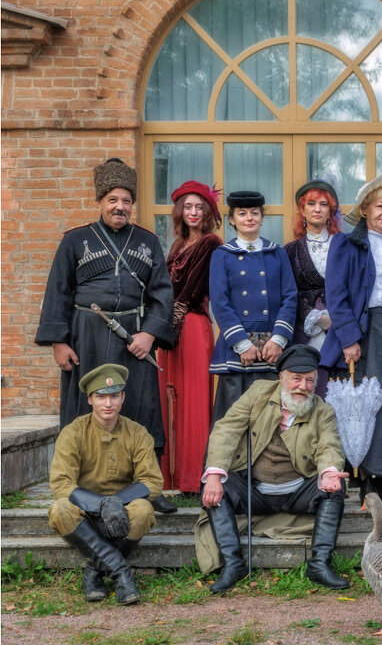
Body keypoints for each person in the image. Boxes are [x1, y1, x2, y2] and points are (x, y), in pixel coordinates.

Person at [36, 157, 175, 465]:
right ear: (100, 200)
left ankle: (146, 483)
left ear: (132, 204)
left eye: (126, 200)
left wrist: (150, 334)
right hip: (87, 337)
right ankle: (80, 477)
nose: (119, 206)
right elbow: (57, 291)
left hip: (134, 340)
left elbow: (162, 292)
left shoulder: (148, 241)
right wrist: (59, 343)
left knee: (140, 405)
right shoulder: (75, 240)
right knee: (85, 405)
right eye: (112, 199)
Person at [201, 344, 350, 592]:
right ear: (281, 378)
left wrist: (329, 472)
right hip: (255, 491)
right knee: (214, 483)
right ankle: (233, 564)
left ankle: (319, 564)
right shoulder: (258, 393)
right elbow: (227, 429)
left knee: (335, 487)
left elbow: (329, 446)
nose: (303, 386)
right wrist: (215, 474)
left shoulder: (322, 411)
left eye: (310, 380)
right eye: (296, 379)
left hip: (297, 492)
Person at [321, 171, 382, 501]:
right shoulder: (346, 244)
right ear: (365, 209)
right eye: (379, 205)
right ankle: (365, 476)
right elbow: (336, 293)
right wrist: (348, 338)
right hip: (366, 330)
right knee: (366, 402)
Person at [48, 364, 162, 605]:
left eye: (113, 396)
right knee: (59, 509)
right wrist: (100, 505)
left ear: (123, 397)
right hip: (85, 511)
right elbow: (61, 483)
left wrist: (115, 503)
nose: (107, 404)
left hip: (123, 510)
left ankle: (94, 572)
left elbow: (152, 481)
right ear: (90, 399)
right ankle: (121, 573)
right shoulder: (73, 433)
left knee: (143, 511)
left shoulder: (138, 433)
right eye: (100, 397)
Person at [208, 190, 298, 425]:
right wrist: (243, 344)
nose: (249, 218)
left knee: (271, 421)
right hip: (237, 351)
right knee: (233, 422)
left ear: (261, 217)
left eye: (255, 213)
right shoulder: (222, 255)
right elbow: (220, 302)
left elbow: (290, 297)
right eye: (242, 213)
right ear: (232, 219)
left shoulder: (276, 252)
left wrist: (278, 341)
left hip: (271, 351)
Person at [158, 180, 222, 498]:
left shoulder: (211, 243)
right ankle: (170, 476)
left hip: (193, 326)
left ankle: (193, 477)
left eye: (199, 206)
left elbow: (190, 291)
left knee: (195, 399)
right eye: (188, 206)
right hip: (169, 329)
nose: (193, 212)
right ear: (180, 211)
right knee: (171, 397)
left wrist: (166, 321)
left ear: (207, 211)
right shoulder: (176, 246)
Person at [284, 180, 341, 356]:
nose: (317, 209)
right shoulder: (290, 250)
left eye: (323, 204)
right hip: (303, 331)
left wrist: (335, 320)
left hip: (340, 329)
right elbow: (288, 293)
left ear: (330, 212)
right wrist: (316, 317)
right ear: (302, 210)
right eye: (311, 204)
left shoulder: (344, 246)